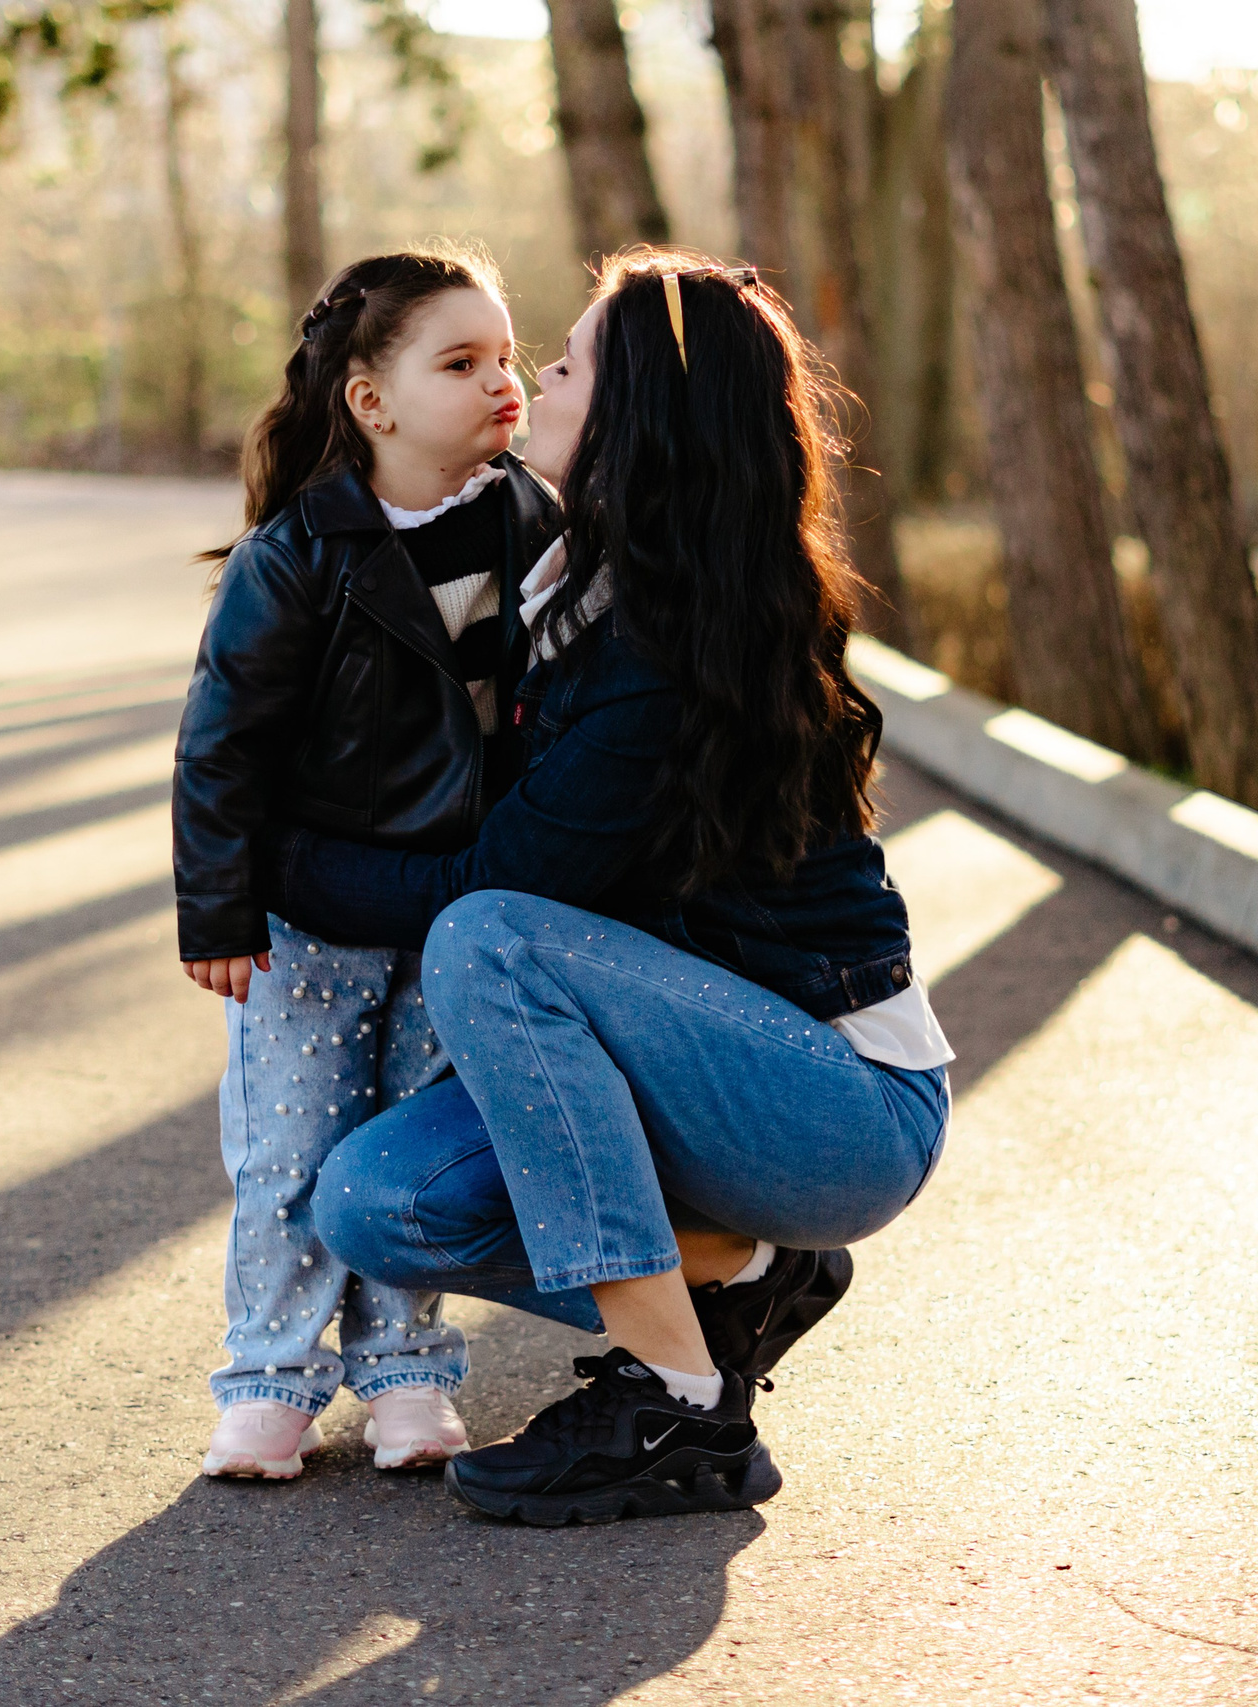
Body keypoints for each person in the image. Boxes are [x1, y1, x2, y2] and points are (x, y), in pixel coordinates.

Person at [258, 250, 955, 1525]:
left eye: (565, 366)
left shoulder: (664, 647)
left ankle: (677, 1407)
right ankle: (744, 1269)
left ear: (633, 413)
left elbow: (492, 888)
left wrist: (273, 862)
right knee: (378, 1203)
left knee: (488, 937)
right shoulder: (585, 585)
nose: (531, 385)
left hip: (838, 1107)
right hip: (698, 1080)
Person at [173, 245, 563, 1479]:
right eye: (461, 363)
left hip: (456, 913)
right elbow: (220, 746)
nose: (502, 382)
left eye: (508, 357)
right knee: (291, 1151)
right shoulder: (299, 554)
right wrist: (219, 910)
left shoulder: (535, 522)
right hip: (308, 917)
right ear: (371, 401)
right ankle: (269, 1379)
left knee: (408, 1146)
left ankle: (404, 1372)